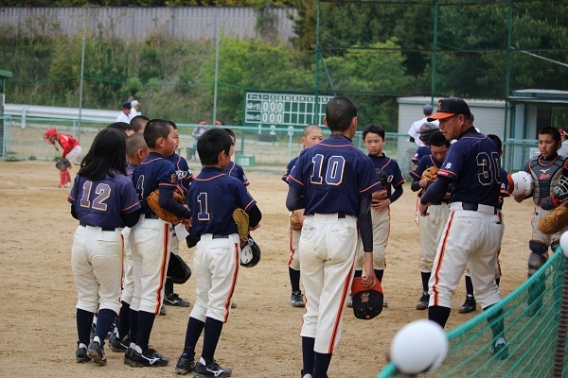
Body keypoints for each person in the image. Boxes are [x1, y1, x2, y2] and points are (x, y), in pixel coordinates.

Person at [285, 96, 381, 378]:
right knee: (331, 310)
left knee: (313, 308)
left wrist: (311, 204)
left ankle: (307, 373)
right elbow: (365, 212)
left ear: (326, 123)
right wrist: (370, 260)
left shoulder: (306, 154)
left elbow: (293, 201)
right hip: (342, 232)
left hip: (311, 230)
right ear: (355, 123)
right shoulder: (360, 158)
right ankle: (318, 375)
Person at [418, 97, 507, 359]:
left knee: (440, 286)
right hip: (491, 222)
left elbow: (442, 187)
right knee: (487, 287)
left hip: (465, 220)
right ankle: (500, 340)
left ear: (461, 119)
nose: (442, 126)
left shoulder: (460, 146)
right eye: (439, 121)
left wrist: (424, 198)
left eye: (446, 120)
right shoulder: (489, 143)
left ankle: (432, 350)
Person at [174, 128, 262, 376]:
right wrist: (249, 224)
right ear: (223, 155)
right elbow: (254, 214)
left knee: (202, 302)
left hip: (202, 247)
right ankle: (206, 362)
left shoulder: (195, 184)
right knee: (218, 305)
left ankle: (186, 357)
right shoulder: (231, 182)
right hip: (225, 246)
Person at [68, 127, 141, 366]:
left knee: (86, 297)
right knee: (110, 298)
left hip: (81, 237)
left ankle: (81, 345)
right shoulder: (122, 181)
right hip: (107, 240)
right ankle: (97, 341)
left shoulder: (82, 175)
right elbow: (131, 219)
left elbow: (73, 210)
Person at [125, 119, 192, 367]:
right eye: (174, 136)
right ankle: (140, 349)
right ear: (161, 141)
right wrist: (187, 214)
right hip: (155, 229)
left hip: (136, 228)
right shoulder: (165, 165)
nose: (177, 140)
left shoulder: (140, 166)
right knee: (152, 292)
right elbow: (165, 200)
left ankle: (133, 344)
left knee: (139, 291)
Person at [513, 126, 568, 316]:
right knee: (535, 259)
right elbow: (529, 187)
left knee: (562, 260)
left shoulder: (565, 164)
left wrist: (559, 199)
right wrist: (520, 194)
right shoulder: (531, 164)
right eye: (540, 142)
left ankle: (561, 307)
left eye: (548, 142)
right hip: (539, 216)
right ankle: (534, 304)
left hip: (561, 216)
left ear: (558, 144)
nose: (543, 146)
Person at [352, 123, 405, 308]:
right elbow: (353, 189)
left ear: (384, 141)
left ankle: (376, 291)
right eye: (369, 141)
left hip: (381, 214)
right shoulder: (361, 161)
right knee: (359, 253)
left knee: (379, 254)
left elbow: (399, 189)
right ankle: (356, 293)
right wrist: (369, 195)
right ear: (364, 143)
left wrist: (387, 201)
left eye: (376, 141)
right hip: (361, 212)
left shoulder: (391, 164)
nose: (373, 145)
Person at [457, 134, 510, 315]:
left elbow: (503, 195)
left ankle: (491, 298)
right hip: (473, 217)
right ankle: (470, 298)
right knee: (469, 260)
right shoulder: (474, 171)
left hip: (493, 218)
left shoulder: (502, 174)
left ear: (500, 153)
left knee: (491, 263)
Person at [109, 133, 150, 353]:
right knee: (135, 285)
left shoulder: (121, 172)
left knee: (131, 284)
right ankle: (124, 335)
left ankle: (120, 333)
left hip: (125, 230)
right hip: (134, 229)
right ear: (141, 153)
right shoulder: (137, 173)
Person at [281, 124, 324, 308]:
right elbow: (293, 192)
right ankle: (295, 292)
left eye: (321, 138)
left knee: (320, 254)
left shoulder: (326, 160)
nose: (317, 142)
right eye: (313, 138)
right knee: (298, 256)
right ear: (303, 140)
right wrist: (299, 214)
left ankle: (316, 293)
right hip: (300, 212)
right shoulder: (295, 162)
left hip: (321, 214)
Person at [408, 130, 450, 311]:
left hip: (449, 208)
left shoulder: (454, 162)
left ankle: (444, 292)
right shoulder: (425, 160)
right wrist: (423, 183)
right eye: (436, 152)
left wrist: (449, 192)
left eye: (443, 152)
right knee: (427, 252)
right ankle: (426, 293)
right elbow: (413, 185)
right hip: (429, 209)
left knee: (448, 252)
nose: (439, 156)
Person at [163, 121, 195, 310]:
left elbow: (189, 185)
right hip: (163, 214)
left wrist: (187, 206)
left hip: (179, 214)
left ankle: (168, 293)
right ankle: (161, 294)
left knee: (173, 252)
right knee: (164, 254)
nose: (176, 140)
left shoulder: (181, 161)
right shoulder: (156, 161)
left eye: (177, 136)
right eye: (172, 136)